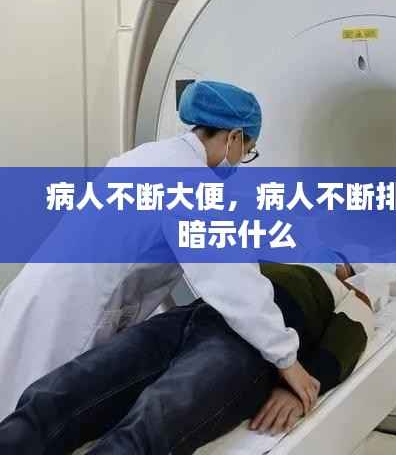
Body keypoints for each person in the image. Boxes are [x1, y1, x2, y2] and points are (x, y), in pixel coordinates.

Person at [0, 81, 318, 420]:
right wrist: (286, 358)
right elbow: (233, 279)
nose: (241, 162)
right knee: (33, 418)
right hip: (73, 314)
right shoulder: (190, 181)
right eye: (248, 151)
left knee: (19, 411)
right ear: (235, 137)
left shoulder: (148, 156)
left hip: (42, 288)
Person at [0, 261, 374, 455]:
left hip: (250, 348)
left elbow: (353, 331)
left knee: (156, 416)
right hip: (192, 316)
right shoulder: (262, 260)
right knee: (68, 387)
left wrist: (300, 389)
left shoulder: (341, 289)